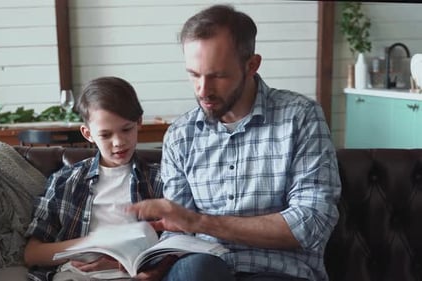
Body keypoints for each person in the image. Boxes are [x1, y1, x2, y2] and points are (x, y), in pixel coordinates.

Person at [127, 4, 341, 281]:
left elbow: (311, 223)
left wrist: (199, 222)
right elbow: (178, 231)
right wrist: (150, 264)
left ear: (251, 65)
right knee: (196, 270)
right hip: (202, 268)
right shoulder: (181, 134)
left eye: (217, 75)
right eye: (194, 74)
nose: (203, 90)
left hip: (277, 270)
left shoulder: (300, 117)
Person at [23, 76, 171, 281]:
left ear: (139, 122)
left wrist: (126, 263)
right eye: (105, 135)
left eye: (126, 129)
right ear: (88, 133)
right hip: (76, 275)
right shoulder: (65, 181)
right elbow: (32, 254)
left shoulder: (161, 179)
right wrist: (94, 243)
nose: (118, 142)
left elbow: (178, 243)